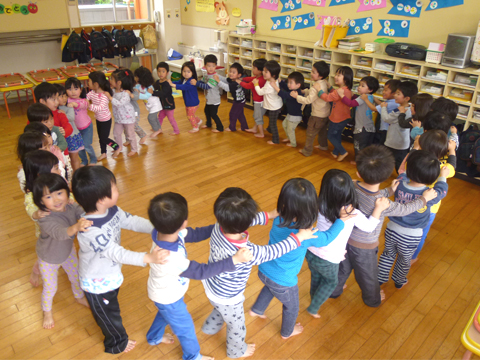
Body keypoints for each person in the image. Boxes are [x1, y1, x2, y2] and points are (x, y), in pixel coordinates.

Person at [201, 187, 317, 358]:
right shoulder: (245, 252)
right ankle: (236, 351)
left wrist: (268, 215)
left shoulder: (218, 227)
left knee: (220, 309)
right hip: (229, 296)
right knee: (236, 325)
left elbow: (243, 220)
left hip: (212, 285)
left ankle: (209, 327)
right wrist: (298, 238)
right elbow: (273, 251)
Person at [71, 166, 169, 354]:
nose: (118, 189)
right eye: (114, 188)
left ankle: (101, 310)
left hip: (110, 274)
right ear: (101, 199)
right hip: (96, 282)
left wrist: (156, 228)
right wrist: (148, 258)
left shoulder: (112, 210)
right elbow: (117, 253)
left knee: (110, 306)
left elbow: (131, 221)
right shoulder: (90, 230)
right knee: (109, 317)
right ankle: (116, 343)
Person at [146, 192, 253, 360]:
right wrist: (234, 260)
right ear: (184, 222)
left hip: (163, 291)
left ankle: (154, 337)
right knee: (185, 328)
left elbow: (194, 234)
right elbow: (201, 272)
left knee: (164, 313)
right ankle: (192, 356)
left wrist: (222, 226)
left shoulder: (163, 232)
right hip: (169, 295)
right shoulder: (170, 257)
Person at [329, 145, 437, 307]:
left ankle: (334, 291)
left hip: (345, 239)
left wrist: (389, 191)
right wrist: (424, 199)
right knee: (368, 275)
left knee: (343, 268)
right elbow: (406, 209)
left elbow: (371, 192)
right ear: (386, 175)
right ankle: (373, 300)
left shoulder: (352, 185)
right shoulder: (383, 203)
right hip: (365, 247)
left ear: (359, 173)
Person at [249, 178, 352, 339]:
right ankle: (287, 332)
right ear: (312, 208)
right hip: (284, 281)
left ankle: (256, 309)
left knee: (269, 286)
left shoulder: (279, 218)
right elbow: (327, 238)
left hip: (264, 270)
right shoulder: (306, 234)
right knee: (292, 307)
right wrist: (341, 220)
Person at [306, 169, 390, 317]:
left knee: (316, 276)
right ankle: (314, 307)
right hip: (329, 257)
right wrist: (378, 208)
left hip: (312, 250)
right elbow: (369, 227)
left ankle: (314, 295)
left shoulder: (319, 203)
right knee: (331, 283)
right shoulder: (352, 212)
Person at [378, 150, 449, 289]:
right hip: (411, 235)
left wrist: (411, 157)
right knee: (404, 260)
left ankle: (380, 278)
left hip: (392, 228)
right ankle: (399, 281)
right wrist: (443, 176)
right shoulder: (429, 194)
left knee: (387, 254)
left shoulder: (400, 183)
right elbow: (442, 190)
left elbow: (402, 173)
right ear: (432, 177)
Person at [32, 173, 91, 329]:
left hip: (67, 252)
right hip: (48, 258)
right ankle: (47, 311)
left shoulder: (71, 206)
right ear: (40, 201)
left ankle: (79, 297)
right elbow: (60, 233)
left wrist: (88, 215)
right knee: (51, 287)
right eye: (49, 197)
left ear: (67, 192)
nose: (57, 199)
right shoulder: (45, 217)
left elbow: (82, 212)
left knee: (76, 276)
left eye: (59, 193)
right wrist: (77, 227)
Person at [399, 130, 456, 263]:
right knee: (421, 235)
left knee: (406, 226)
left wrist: (416, 146)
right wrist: (452, 150)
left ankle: (400, 244)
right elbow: (452, 165)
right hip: (429, 209)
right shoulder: (443, 168)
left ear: (422, 145)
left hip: (409, 201)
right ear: (443, 151)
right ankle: (412, 258)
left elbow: (412, 155)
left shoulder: (412, 160)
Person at [21, 150, 63, 287]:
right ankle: (36, 270)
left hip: (62, 229)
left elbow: (68, 197)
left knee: (60, 251)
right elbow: (30, 208)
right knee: (46, 255)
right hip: (46, 235)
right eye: (56, 167)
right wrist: (36, 214)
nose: (60, 169)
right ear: (41, 174)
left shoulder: (57, 185)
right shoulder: (33, 194)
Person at [291, 61, 330, 157]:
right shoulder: (324, 83)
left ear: (320, 75)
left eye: (313, 72)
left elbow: (309, 100)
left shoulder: (315, 87)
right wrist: (305, 91)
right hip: (325, 113)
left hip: (317, 115)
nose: (311, 73)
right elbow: (314, 94)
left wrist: (297, 97)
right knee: (322, 131)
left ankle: (307, 151)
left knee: (310, 133)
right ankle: (323, 145)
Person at [337, 76, 379, 163]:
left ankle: (359, 162)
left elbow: (351, 104)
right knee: (366, 146)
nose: (359, 87)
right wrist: (353, 96)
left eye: (362, 86)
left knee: (358, 145)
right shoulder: (370, 96)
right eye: (359, 85)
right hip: (369, 127)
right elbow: (357, 102)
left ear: (370, 89)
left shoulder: (362, 97)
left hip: (361, 128)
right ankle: (366, 161)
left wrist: (342, 95)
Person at [316, 66, 354, 162]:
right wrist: (330, 87)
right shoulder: (346, 89)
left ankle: (343, 151)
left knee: (331, 136)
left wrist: (319, 90)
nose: (335, 77)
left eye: (339, 75)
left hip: (337, 119)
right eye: (336, 74)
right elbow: (336, 95)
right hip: (344, 118)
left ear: (346, 78)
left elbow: (328, 98)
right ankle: (335, 152)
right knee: (336, 135)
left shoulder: (339, 91)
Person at [381, 81, 418, 172]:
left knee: (385, 161)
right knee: (400, 165)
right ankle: (402, 179)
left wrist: (383, 107)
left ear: (406, 98)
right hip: (404, 143)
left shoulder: (399, 111)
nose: (395, 95)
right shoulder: (410, 109)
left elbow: (386, 118)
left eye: (398, 94)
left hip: (393, 142)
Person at [26, 104, 70, 179]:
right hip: (45, 164)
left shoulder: (56, 129)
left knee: (65, 175)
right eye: (46, 121)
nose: (50, 123)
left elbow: (63, 143)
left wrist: (57, 148)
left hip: (60, 159)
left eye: (51, 119)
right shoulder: (33, 136)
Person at [87, 71, 120, 160]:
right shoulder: (92, 92)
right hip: (98, 119)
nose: (88, 83)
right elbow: (87, 96)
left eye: (89, 81)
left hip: (106, 120)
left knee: (104, 138)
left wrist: (89, 106)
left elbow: (100, 107)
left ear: (96, 84)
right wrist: (84, 100)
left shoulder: (104, 95)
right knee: (100, 138)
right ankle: (103, 153)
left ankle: (116, 146)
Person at [34, 82, 73, 158]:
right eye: (53, 99)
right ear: (42, 101)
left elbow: (69, 127)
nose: (57, 102)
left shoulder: (59, 114)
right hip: (43, 155)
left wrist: (65, 131)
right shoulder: (35, 117)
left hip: (61, 154)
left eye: (57, 98)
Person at [105, 69, 138, 157]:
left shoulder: (125, 94)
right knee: (116, 133)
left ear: (119, 83)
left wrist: (110, 98)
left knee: (130, 135)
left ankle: (134, 149)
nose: (110, 81)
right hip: (119, 118)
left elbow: (119, 104)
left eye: (111, 79)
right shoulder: (113, 91)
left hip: (128, 118)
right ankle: (119, 148)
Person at [65, 77, 97, 166]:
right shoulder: (66, 100)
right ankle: (84, 160)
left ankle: (93, 159)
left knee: (86, 145)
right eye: (69, 89)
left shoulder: (84, 100)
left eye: (76, 89)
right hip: (75, 129)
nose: (73, 92)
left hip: (87, 127)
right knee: (79, 147)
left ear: (80, 90)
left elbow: (83, 105)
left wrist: (74, 104)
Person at [54, 83, 84, 171]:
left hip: (72, 136)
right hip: (63, 138)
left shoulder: (68, 106)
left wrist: (63, 115)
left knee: (74, 158)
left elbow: (71, 117)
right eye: (61, 96)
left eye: (65, 96)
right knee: (66, 159)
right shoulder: (54, 110)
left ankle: (77, 174)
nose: (64, 98)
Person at [253, 60, 283, 145]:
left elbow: (260, 92)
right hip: (275, 105)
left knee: (273, 123)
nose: (263, 73)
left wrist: (256, 84)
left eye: (266, 72)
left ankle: (275, 140)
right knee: (271, 118)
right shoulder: (273, 79)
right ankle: (269, 129)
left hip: (274, 107)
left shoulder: (270, 85)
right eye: (264, 70)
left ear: (273, 74)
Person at [270, 71, 304, 147]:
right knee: (284, 124)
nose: (288, 84)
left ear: (298, 85)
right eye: (288, 82)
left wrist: (275, 86)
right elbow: (285, 87)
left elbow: (284, 94)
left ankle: (293, 143)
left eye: (291, 82)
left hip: (295, 116)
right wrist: (280, 81)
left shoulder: (295, 93)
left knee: (290, 129)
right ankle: (289, 138)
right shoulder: (292, 89)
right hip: (291, 114)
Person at [195, 54, 225, 132]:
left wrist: (196, 84)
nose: (211, 68)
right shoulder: (206, 75)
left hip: (214, 100)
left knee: (213, 114)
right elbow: (202, 81)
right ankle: (209, 124)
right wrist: (196, 82)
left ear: (216, 66)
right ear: (205, 66)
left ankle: (220, 127)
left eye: (213, 66)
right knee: (206, 111)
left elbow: (207, 86)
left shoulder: (214, 77)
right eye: (209, 66)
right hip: (209, 99)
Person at [169, 62, 202, 133]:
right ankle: (198, 121)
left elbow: (184, 87)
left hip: (193, 103)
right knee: (190, 114)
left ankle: (195, 127)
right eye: (184, 71)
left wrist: (173, 85)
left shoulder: (191, 81)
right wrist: (171, 82)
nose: (186, 73)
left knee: (190, 116)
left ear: (192, 73)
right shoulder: (184, 79)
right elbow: (178, 82)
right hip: (189, 102)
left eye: (188, 71)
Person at [132, 67, 163, 138]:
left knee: (151, 118)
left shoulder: (149, 87)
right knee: (154, 118)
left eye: (137, 77)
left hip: (155, 105)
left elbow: (146, 96)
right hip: (149, 105)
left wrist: (138, 94)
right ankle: (159, 129)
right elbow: (135, 89)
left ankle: (156, 130)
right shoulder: (139, 85)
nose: (135, 78)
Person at [121, 67, 148, 146]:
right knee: (126, 127)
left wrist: (130, 94)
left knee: (134, 126)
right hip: (125, 113)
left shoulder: (133, 90)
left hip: (134, 112)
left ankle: (143, 135)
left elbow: (136, 97)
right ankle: (128, 139)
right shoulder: (121, 90)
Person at [217, 62, 248, 132]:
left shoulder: (235, 83)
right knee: (240, 114)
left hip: (239, 102)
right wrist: (216, 75)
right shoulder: (233, 79)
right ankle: (245, 127)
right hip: (241, 100)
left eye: (234, 72)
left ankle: (232, 127)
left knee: (232, 114)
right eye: (230, 71)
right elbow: (225, 79)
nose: (231, 73)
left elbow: (227, 88)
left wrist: (218, 81)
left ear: (239, 75)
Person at [241, 58, 267, 137]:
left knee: (257, 117)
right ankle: (255, 129)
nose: (252, 69)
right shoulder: (260, 77)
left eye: (254, 68)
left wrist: (240, 81)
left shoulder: (259, 80)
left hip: (259, 102)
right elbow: (251, 79)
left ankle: (261, 134)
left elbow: (248, 86)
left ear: (260, 71)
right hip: (261, 101)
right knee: (257, 115)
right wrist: (243, 78)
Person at [152, 62, 180, 135]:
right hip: (162, 105)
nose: (161, 73)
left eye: (163, 71)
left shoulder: (167, 83)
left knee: (171, 118)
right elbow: (154, 88)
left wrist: (153, 93)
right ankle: (158, 129)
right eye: (159, 71)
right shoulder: (158, 82)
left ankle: (176, 130)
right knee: (160, 117)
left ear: (167, 73)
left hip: (169, 105)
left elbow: (163, 93)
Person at [372, 79, 401, 145]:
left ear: (393, 93)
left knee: (382, 146)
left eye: (385, 90)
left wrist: (366, 99)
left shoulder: (392, 103)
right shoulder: (392, 101)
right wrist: (374, 98)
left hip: (386, 130)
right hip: (387, 129)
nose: (383, 92)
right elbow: (382, 104)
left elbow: (373, 108)